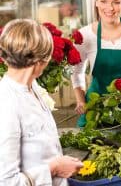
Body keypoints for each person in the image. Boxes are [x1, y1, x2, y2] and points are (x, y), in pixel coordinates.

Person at [0, 19, 83, 186]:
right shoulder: (7, 104)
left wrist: (61, 162)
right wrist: (54, 167)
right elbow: (7, 182)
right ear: (41, 61)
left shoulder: (32, 86)